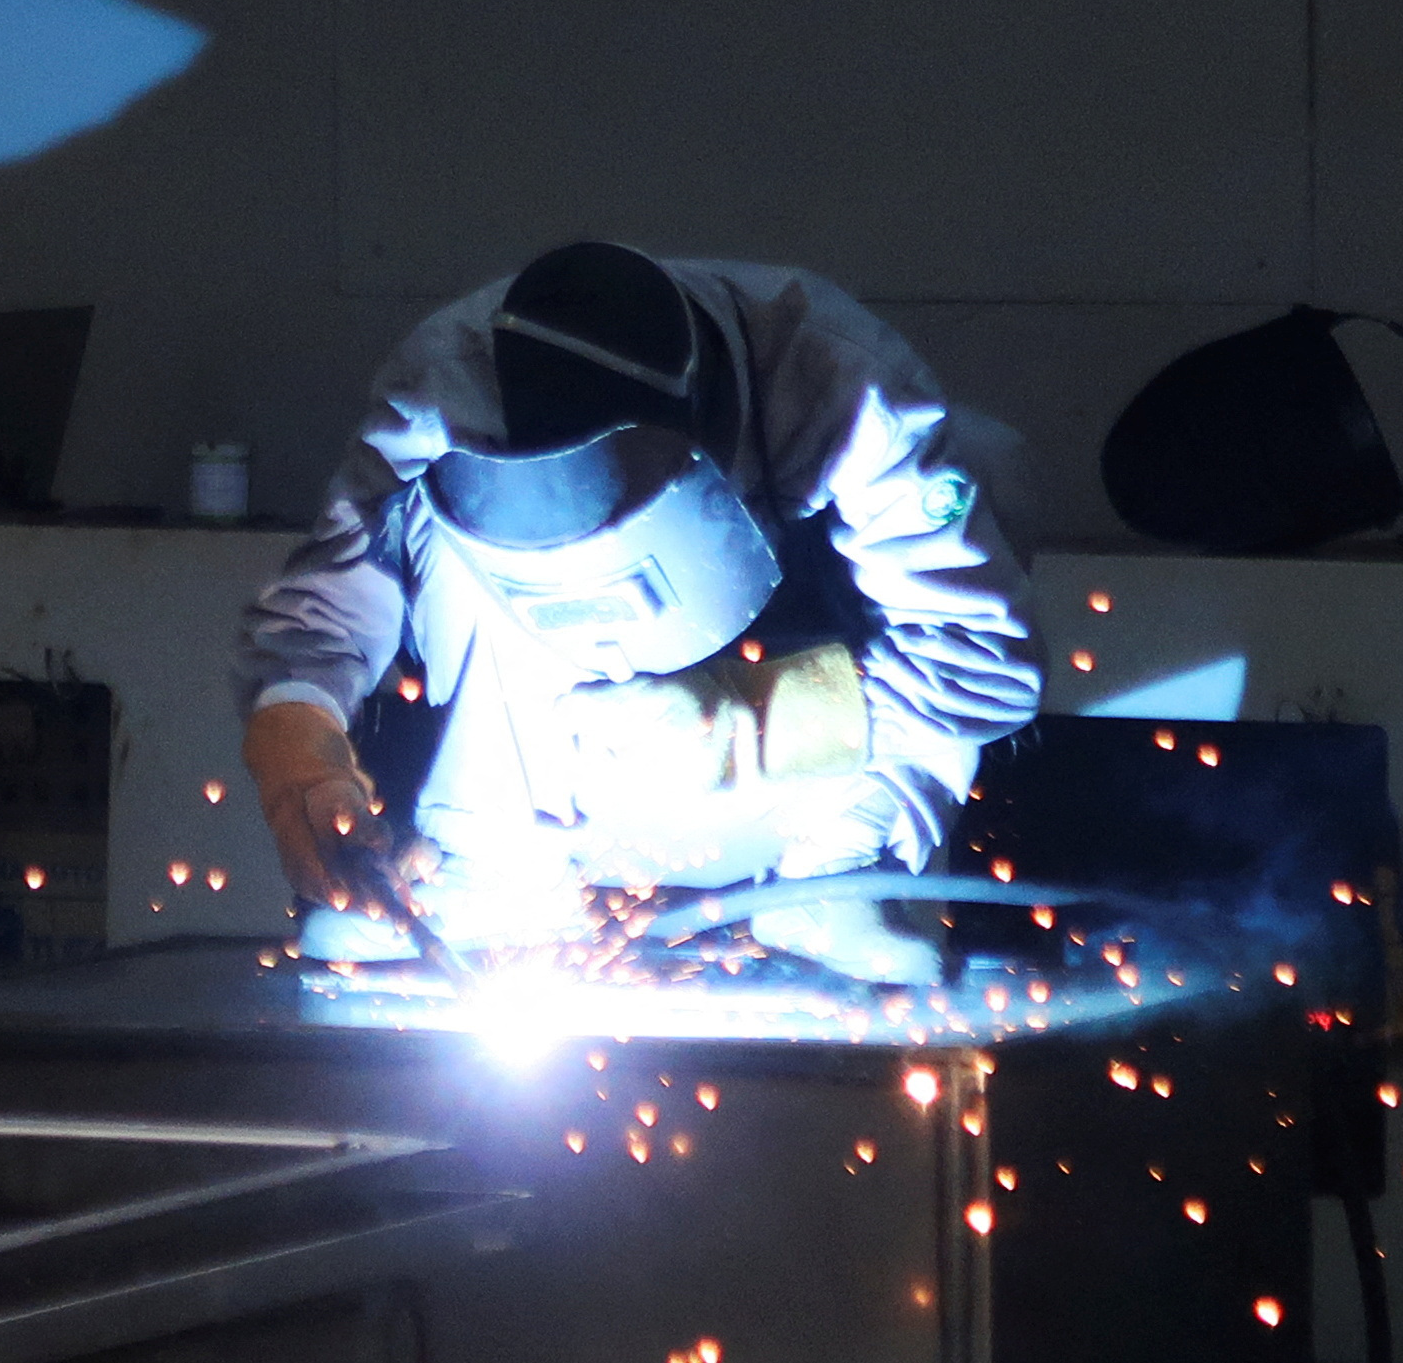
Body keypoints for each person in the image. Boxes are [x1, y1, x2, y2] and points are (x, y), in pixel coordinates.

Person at [233, 242, 1040, 982]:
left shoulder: (843, 387)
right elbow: (333, 596)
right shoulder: (446, 385)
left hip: (793, 638)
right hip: (550, 733)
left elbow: (980, 662)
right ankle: (496, 866)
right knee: (434, 510)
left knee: (983, 477)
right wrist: (296, 739)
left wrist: (745, 721)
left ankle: (832, 880)